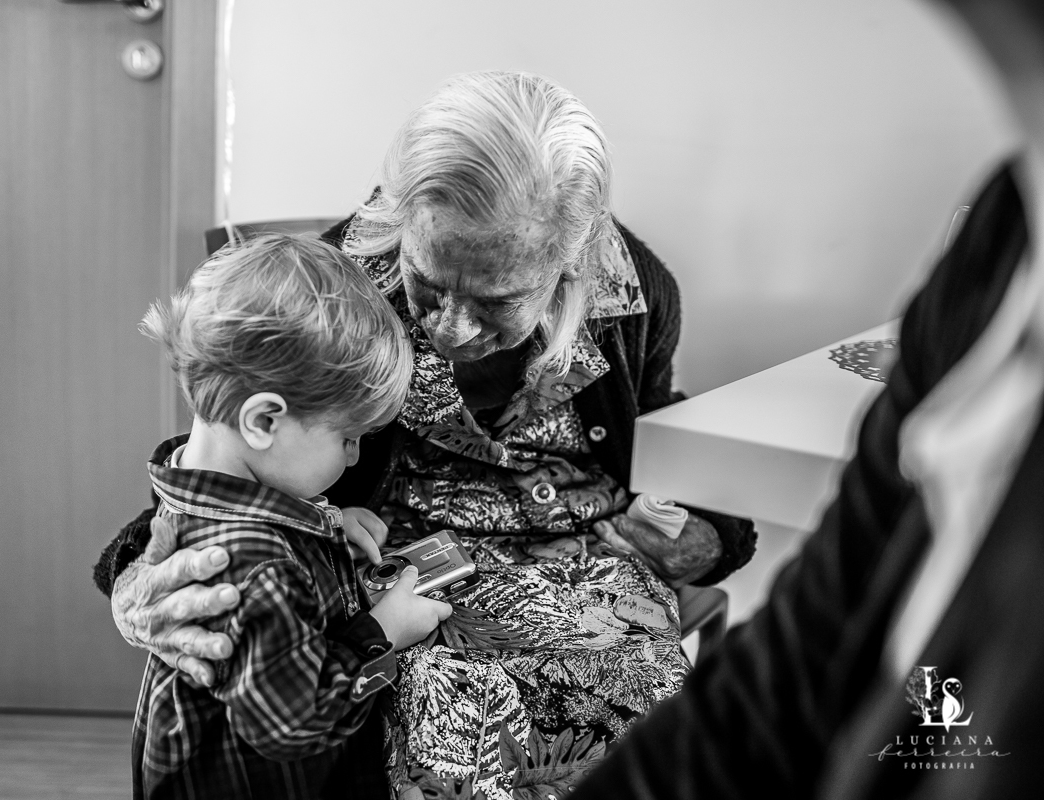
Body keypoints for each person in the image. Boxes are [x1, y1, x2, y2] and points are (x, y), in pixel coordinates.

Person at [95, 71, 757, 796]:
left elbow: (666, 431)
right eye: (429, 283)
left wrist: (709, 534)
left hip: (593, 562)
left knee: (654, 744)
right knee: (448, 732)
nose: (450, 328)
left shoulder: (635, 294)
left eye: (496, 299)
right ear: (401, 221)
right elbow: (237, 449)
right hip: (397, 572)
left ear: (573, 261)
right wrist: (142, 573)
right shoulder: (334, 288)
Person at [569, 1, 1044, 798]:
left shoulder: (636, 297)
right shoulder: (1005, 239)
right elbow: (800, 662)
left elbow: (701, 509)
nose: (466, 321)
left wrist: (707, 538)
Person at [130, 234, 451, 800]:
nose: (355, 456)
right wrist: (384, 633)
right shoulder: (252, 567)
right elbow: (295, 720)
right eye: (348, 437)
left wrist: (325, 520)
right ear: (263, 422)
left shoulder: (198, 482)